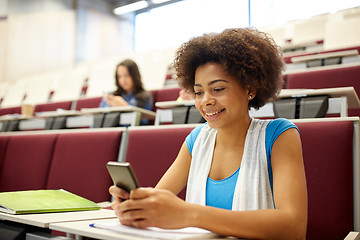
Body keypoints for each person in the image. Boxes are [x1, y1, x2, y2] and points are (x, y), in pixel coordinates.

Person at [109, 28, 308, 239]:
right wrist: (134, 207)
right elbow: (159, 201)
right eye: (198, 92)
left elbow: (293, 228)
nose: (206, 101)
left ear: (250, 89)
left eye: (218, 89)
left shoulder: (279, 135)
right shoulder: (196, 141)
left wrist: (190, 214)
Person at [100, 59, 153, 125]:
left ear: (134, 75)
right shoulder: (111, 96)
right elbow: (98, 119)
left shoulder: (145, 96)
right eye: (119, 76)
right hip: (109, 132)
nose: (123, 80)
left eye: (127, 75)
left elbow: (144, 123)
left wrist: (125, 107)